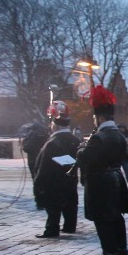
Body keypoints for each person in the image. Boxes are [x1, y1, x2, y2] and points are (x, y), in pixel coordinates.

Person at [77, 86, 128, 255]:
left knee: (103, 219)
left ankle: (110, 253)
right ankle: (122, 250)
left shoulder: (99, 137)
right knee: (117, 217)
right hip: (116, 177)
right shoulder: (119, 135)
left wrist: (81, 149)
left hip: (101, 181)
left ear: (99, 117)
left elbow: (85, 158)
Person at [33, 101, 81, 238]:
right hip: (70, 180)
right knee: (70, 203)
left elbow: (44, 167)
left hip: (53, 182)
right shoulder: (75, 140)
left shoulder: (52, 143)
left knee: (53, 206)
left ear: (55, 124)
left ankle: (51, 228)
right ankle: (70, 225)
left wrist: (38, 184)